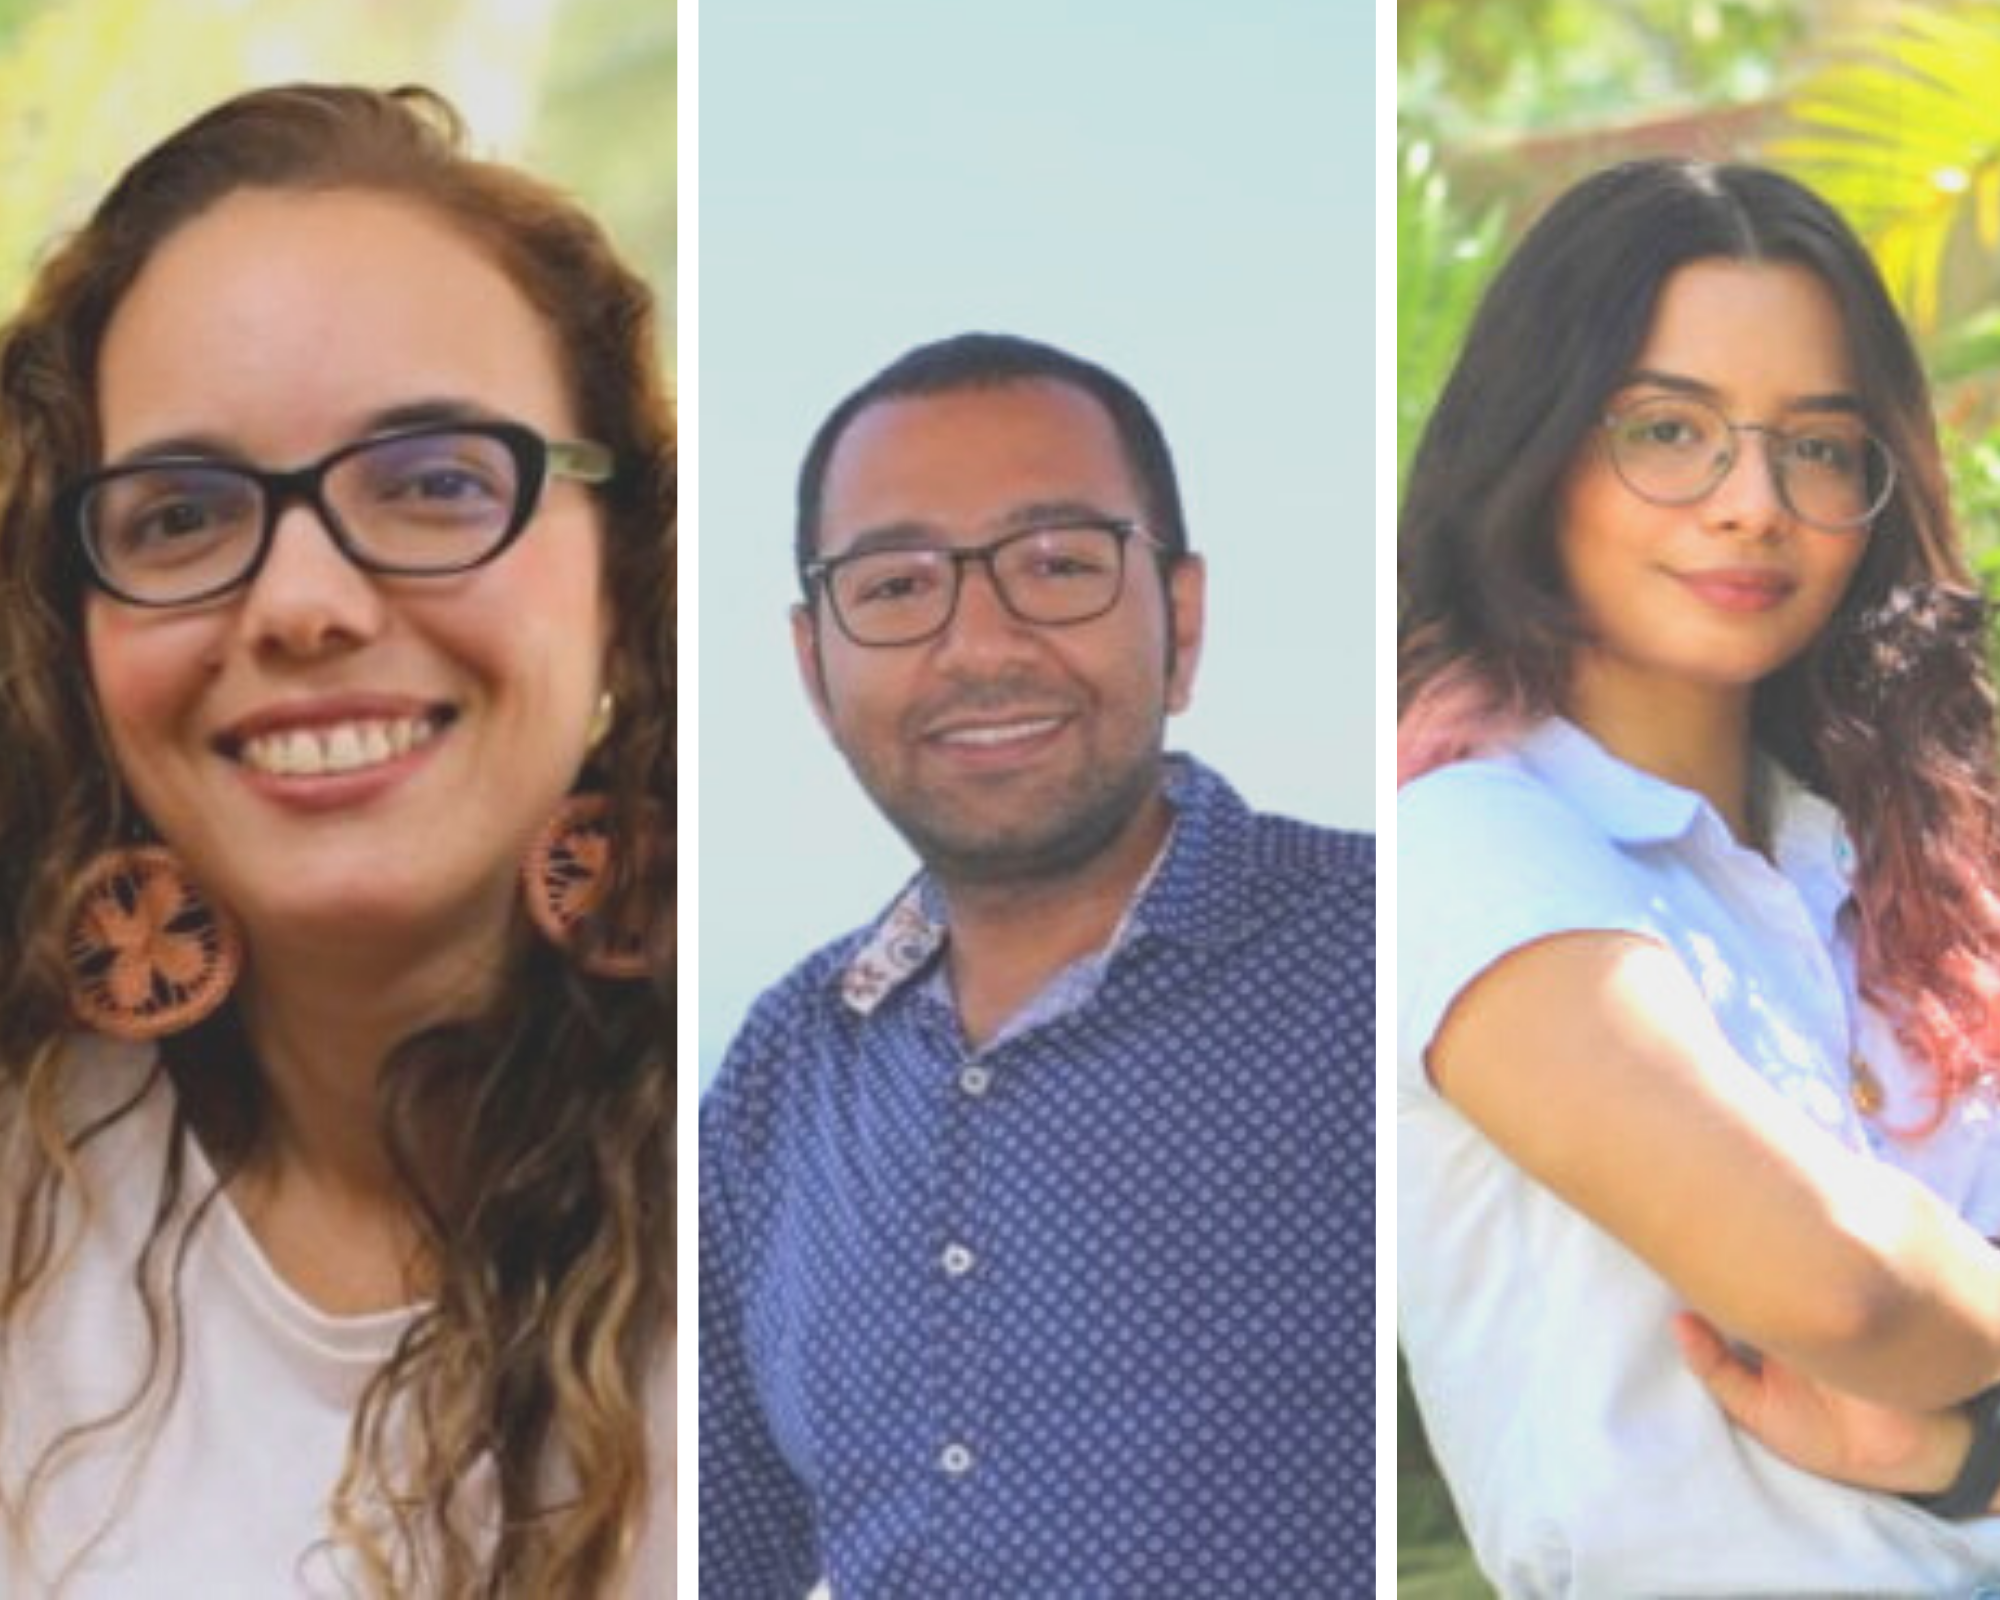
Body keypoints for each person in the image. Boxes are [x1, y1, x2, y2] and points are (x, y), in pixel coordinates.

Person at [0, 85, 675, 1596]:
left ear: (624, 575)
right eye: (180, 516)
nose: (304, 602)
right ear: (73, 630)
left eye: (437, 484)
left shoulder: (816, 1166)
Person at [1398, 156, 2000, 1594]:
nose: (1752, 502)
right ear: (1537, 453)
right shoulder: (1466, 847)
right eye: (1670, 430)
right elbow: (1837, 1281)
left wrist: (1958, 1453)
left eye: (1818, 445)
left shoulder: (1903, 884)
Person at [698, 332, 1373, 1593]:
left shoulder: (1374, 957)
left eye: (1056, 565)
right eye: (896, 587)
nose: (978, 645)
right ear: (812, 664)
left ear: (1180, 616)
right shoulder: (776, 1082)